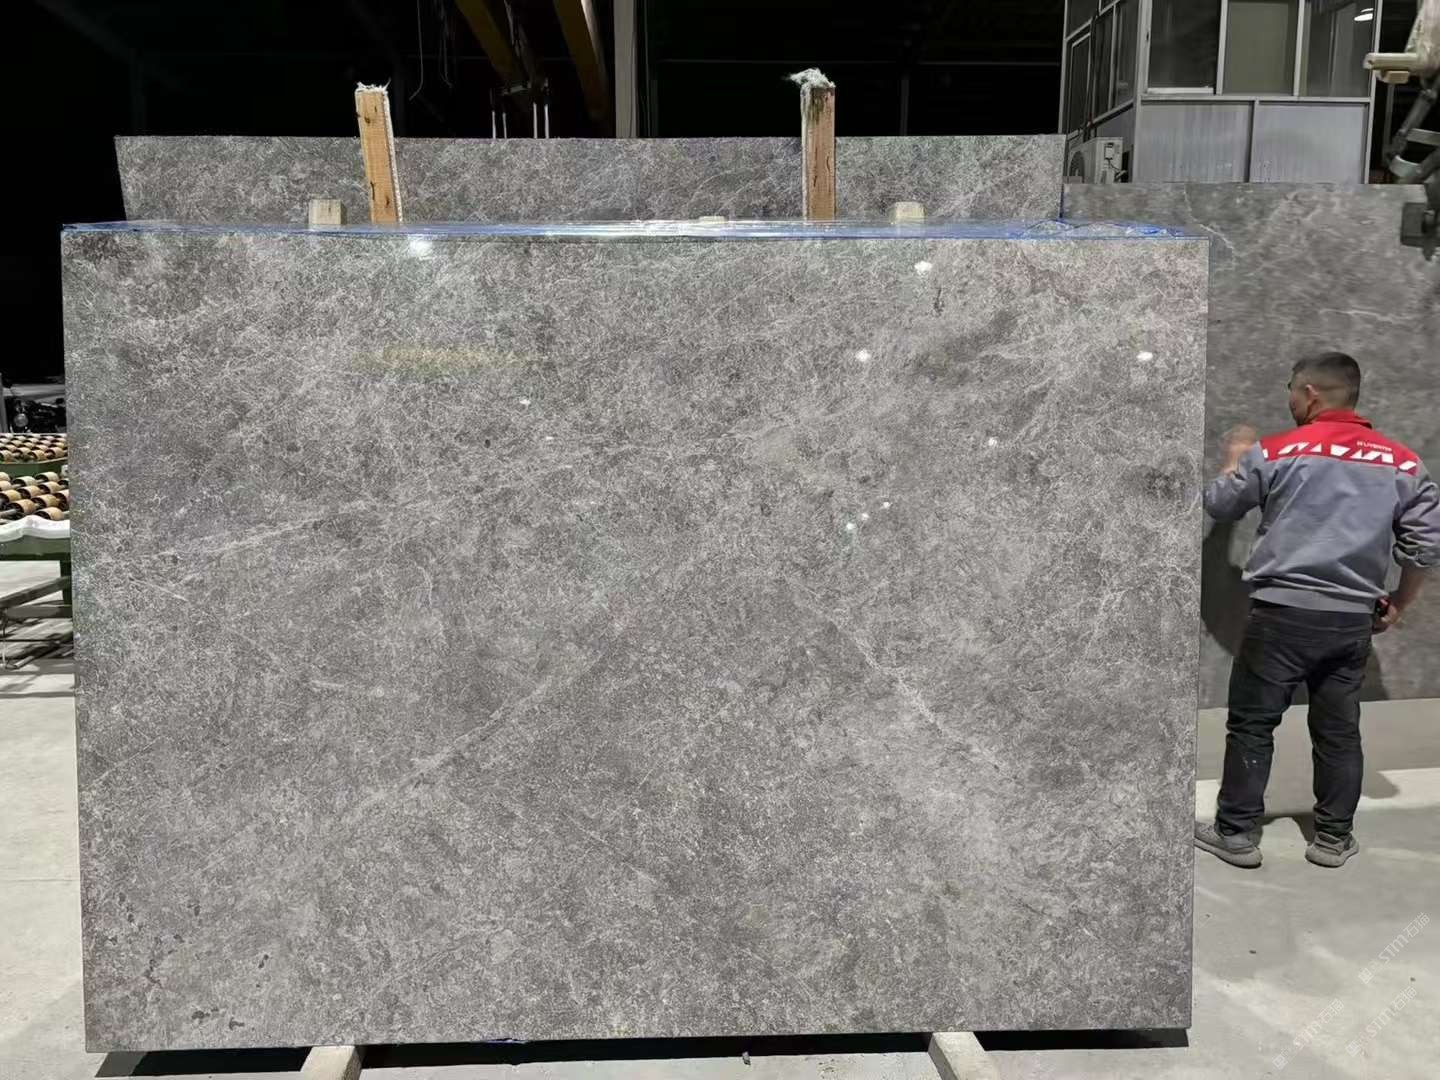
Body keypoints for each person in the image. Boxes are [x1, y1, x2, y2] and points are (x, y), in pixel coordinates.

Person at [1194, 351, 1440, 869]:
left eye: (1290, 388)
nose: (1289, 397)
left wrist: (1235, 458)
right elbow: (1424, 548)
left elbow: (1218, 503)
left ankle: (1235, 834)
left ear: (1309, 393)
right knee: (1338, 730)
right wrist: (1398, 602)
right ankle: (1332, 839)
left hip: (1279, 615)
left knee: (1253, 725)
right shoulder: (1403, 463)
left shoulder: (1276, 451)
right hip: (1351, 621)